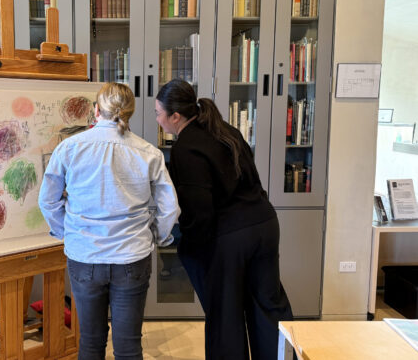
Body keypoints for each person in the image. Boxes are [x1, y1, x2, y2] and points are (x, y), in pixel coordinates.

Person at [39, 82, 180, 360]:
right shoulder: (149, 153)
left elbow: (48, 200)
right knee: (128, 348)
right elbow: (169, 208)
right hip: (132, 257)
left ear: (96, 110)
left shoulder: (70, 148)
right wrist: (157, 237)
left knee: (90, 343)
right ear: (130, 112)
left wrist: (67, 233)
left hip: (85, 256)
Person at [154, 79, 293, 360]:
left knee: (225, 316)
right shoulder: (224, 129)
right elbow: (252, 178)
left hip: (231, 236)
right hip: (265, 224)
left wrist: (186, 247)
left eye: (158, 113)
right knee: (267, 307)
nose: (157, 120)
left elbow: (199, 211)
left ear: (175, 117)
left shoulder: (186, 147)